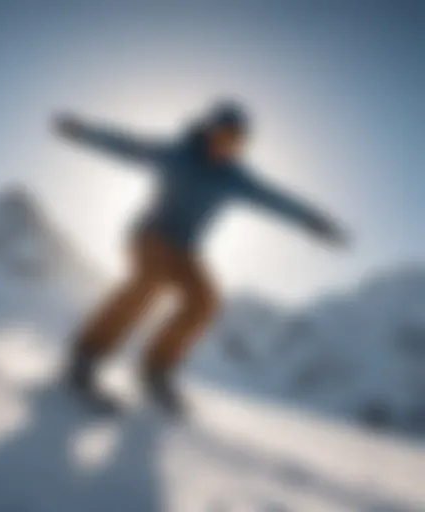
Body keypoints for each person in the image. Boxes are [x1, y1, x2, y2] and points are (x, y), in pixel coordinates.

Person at [52, 100, 349, 416]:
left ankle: (156, 370)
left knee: (205, 301)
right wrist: (83, 133)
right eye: (223, 135)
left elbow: (275, 199)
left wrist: (313, 221)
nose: (227, 145)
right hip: (149, 236)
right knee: (149, 283)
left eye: (235, 141)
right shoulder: (177, 155)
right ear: (209, 131)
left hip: (186, 251)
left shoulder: (236, 178)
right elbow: (127, 146)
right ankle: (85, 358)